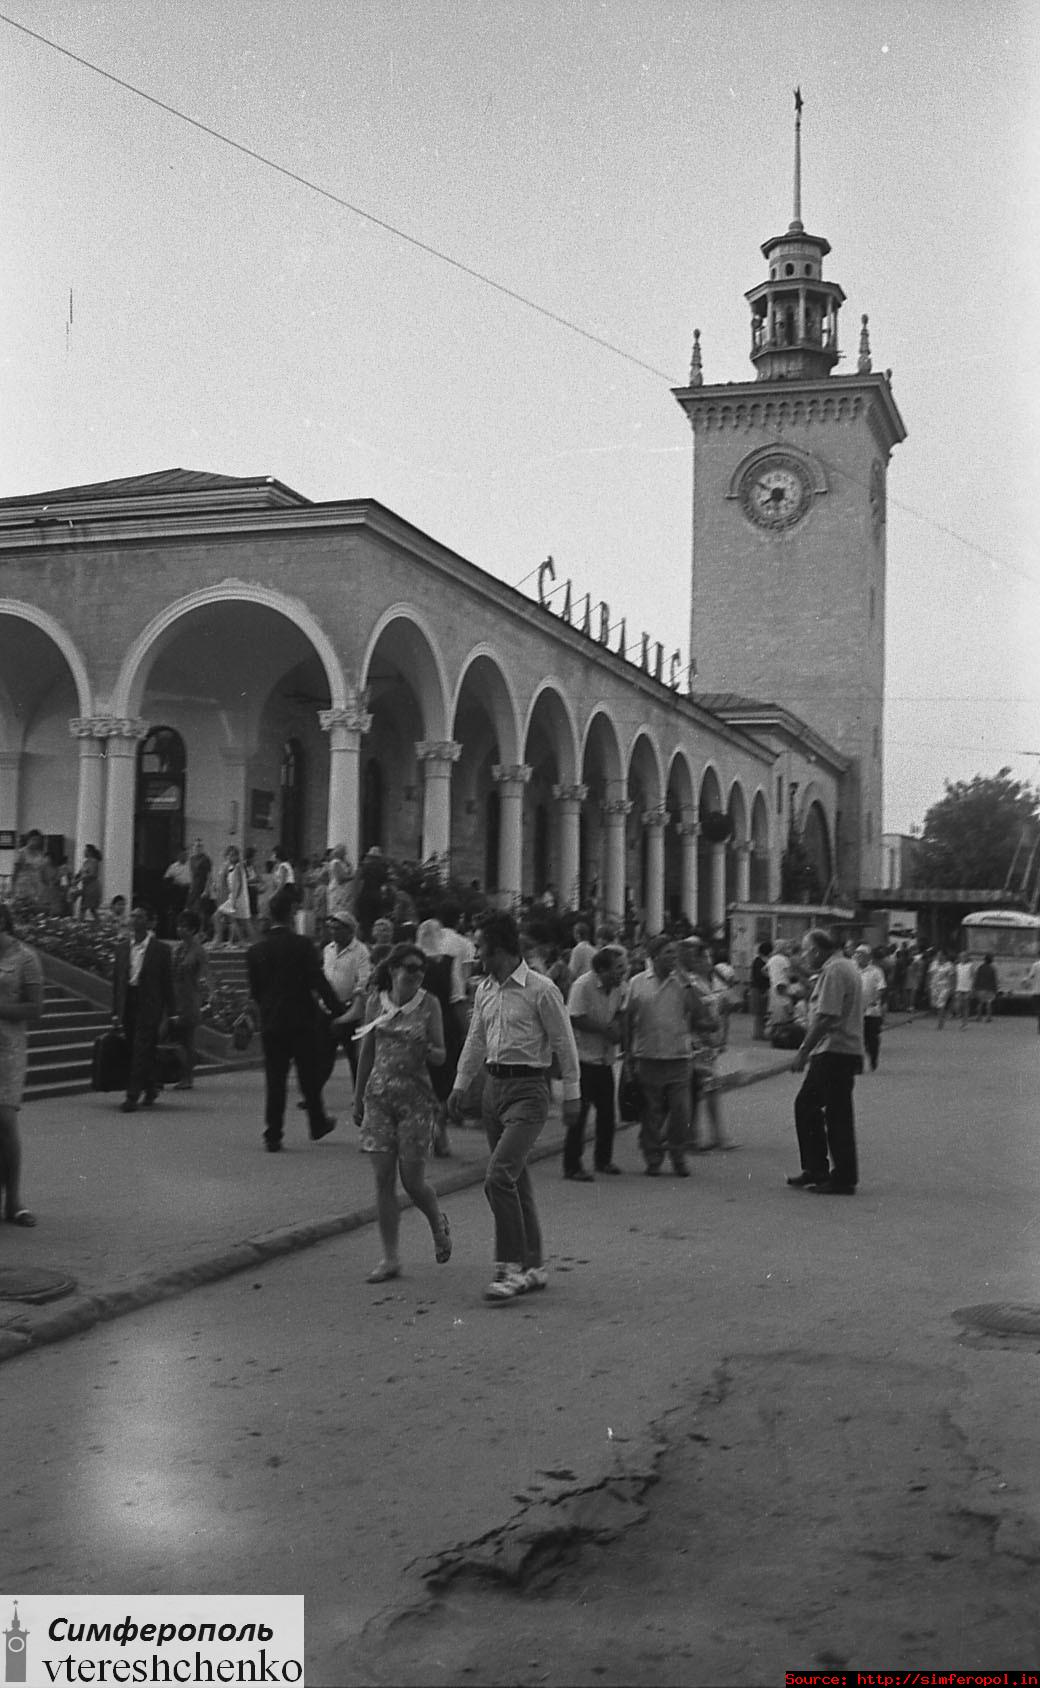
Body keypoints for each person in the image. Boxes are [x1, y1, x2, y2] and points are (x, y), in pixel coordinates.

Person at [447, 910, 581, 1302]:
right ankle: (534, 1264)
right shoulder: (485, 989)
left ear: (501, 949)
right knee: (516, 1179)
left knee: (498, 1177)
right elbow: (475, 1040)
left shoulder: (541, 989)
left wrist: (572, 1095)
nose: (477, 956)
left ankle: (509, 1267)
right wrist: (461, 1085)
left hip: (528, 1090)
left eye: (482, 949)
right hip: (494, 1090)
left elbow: (563, 1043)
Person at [352, 942, 452, 1283]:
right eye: (410, 967)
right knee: (382, 1179)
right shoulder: (375, 1003)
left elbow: (441, 1055)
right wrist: (357, 1098)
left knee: (412, 1182)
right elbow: (367, 1051)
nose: (417, 973)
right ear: (393, 969)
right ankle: (390, 1258)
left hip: (416, 1101)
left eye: (421, 969)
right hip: (379, 1098)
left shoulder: (429, 1005)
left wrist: (425, 1047)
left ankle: (437, 1220)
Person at [246, 887, 343, 1152]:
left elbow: (255, 991)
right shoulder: (302, 946)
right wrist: (338, 1010)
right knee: (308, 1074)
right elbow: (318, 981)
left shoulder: (256, 951)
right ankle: (317, 1122)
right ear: (291, 913)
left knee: (275, 1078)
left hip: (272, 1022)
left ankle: (273, 1133)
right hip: (301, 1019)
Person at [787, 927, 864, 1195]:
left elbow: (826, 1017)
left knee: (831, 1113)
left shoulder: (834, 971)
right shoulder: (843, 966)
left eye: (807, 951)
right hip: (837, 1051)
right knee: (812, 1107)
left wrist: (803, 1051)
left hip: (834, 1051)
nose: (805, 956)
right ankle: (817, 1169)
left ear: (818, 950)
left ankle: (840, 1177)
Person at [624, 934, 699, 1177]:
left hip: (678, 1057)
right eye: (668, 953)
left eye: (675, 953)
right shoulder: (637, 983)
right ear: (654, 957)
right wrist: (627, 1054)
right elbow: (627, 1019)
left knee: (681, 1112)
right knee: (651, 1113)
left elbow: (697, 1010)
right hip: (648, 1056)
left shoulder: (683, 983)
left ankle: (678, 1155)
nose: (673, 957)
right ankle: (653, 1157)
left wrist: (686, 981)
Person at [564, 946, 626, 1179]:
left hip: (605, 1059)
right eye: (618, 968)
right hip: (583, 1058)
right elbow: (575, 1018)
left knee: (607, 1115)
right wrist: (604, 1030)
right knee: (579, 1117)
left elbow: (621, 1010)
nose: (623, 972)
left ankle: (603, 1160)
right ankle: (572, 1165)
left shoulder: (620, 988)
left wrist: (618, 1028)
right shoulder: (582, 986)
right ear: (602, 969)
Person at [0, 902, 44, 1225]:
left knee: (5, 1120)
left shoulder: (26, 959)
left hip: (8, 1050)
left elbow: (35, 1008)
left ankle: (13, 1201)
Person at [112, 904, 175, 1114]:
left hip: (149, 1004)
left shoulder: (161, 950)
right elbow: (117, 982)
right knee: (135, 1047)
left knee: (141, 1046)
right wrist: (115, 1012)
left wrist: (172, 1012)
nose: (134, 919)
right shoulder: (122, 949)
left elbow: (167, 982)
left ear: (147, 922)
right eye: (133, 916)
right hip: (129, 1001)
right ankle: (150, 1086)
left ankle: (132, 1096)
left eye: (140, 916)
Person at [321, 911, 372, 1089]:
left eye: (338, 928)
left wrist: (357, 997)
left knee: (353, 1055)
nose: (333, 932)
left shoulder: (360, 951)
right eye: (331, 928)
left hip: (349, 1008)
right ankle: (314, 1092)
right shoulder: (328, 949)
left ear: (350, 930)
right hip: (328, 1007)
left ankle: (359, 1092)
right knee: (324, 1053)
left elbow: (364, 979)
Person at [171, 910, 213, 1088]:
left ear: (193, 930)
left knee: (187, 1039)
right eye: (179, 926)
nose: (181, 930)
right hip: (175, 996)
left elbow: (204, 976)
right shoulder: (178, 949)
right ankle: (177, 1073)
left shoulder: (199, 951)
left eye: (185, 927)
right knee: (176, 1038)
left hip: (190, 998)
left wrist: (207, 996)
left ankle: (187, 1076)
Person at [853, 943, 887, 1072]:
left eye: (861, 955)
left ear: (868, 957)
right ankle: (858, 1065)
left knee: (872, 1038)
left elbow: (881, 988)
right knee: (857, 1039)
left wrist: (874, 999)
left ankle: (873, 1057)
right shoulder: (852, 969)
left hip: (871, 1011)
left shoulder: (876, 971)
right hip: (855, 1011)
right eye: (857, 955)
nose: (858, 957)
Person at [214, 845, 251, 947]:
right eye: (228, 856)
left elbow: (238, 884)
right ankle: (237, 941)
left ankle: (219, 940)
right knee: (234, 920)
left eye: (232, 856)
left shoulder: (239, 866)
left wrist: (234, 900)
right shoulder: (231, 867)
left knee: (217, 916)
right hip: (233, 897)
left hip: (236, 898)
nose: (230, 858)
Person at [72, 845, 103, 920]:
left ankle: (81, 923)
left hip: (92, 887)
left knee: (88, 908)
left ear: (90, 852)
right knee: (87, 908)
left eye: (85, 851)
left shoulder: (94, 861)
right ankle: (82, 923)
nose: (84, 852)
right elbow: (80, 872)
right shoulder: (85, 862)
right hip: (86, 887)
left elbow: (92, 874)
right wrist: (75, 878)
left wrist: (79, 880)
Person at [749, 941, 771, 1040]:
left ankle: (759, 1033)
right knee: (759, 1013)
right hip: (759, 989)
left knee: (761, 1013)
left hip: (758, 988)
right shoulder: (759, 961)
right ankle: (758, 1034)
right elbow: (758, 977)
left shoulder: (759, 960)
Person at [928, 950, 955, 1029]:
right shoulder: (933, 964)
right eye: (937, 955)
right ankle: (943, 1016)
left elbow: (952, 977)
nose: (938, 957)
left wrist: (952, 987)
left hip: (945, 987)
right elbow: (929, 975)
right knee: (935, 1004)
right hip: (934, 986)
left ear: (944, 956)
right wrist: (928, 985)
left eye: (940, 955)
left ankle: (940, 1022)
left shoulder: (949, 965)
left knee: (941, 1004)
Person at [973, 953, 998, 1023]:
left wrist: (975, 987)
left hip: (980, 988)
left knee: (980, 1003)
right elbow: (994, 980)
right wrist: (995, 989)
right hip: (989, 988)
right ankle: (988, 1017)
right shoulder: (992, 969)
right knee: (988, 1003)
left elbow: (977, 978)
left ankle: (978, 1017)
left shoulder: (980, 967)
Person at [953, 951, 976, 1028]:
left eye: (964, 956)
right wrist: (954, 987)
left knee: (966, 1006)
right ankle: (959, 1016)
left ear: (967, 957)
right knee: (958, 1005)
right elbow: (955, 977)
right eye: (961, 956)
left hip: (967, 988)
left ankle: (964, 1022)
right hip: (959, 988)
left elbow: (973, 977)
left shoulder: (970, 965)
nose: (962, 958)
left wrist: (972, 988)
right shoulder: (957, 966)